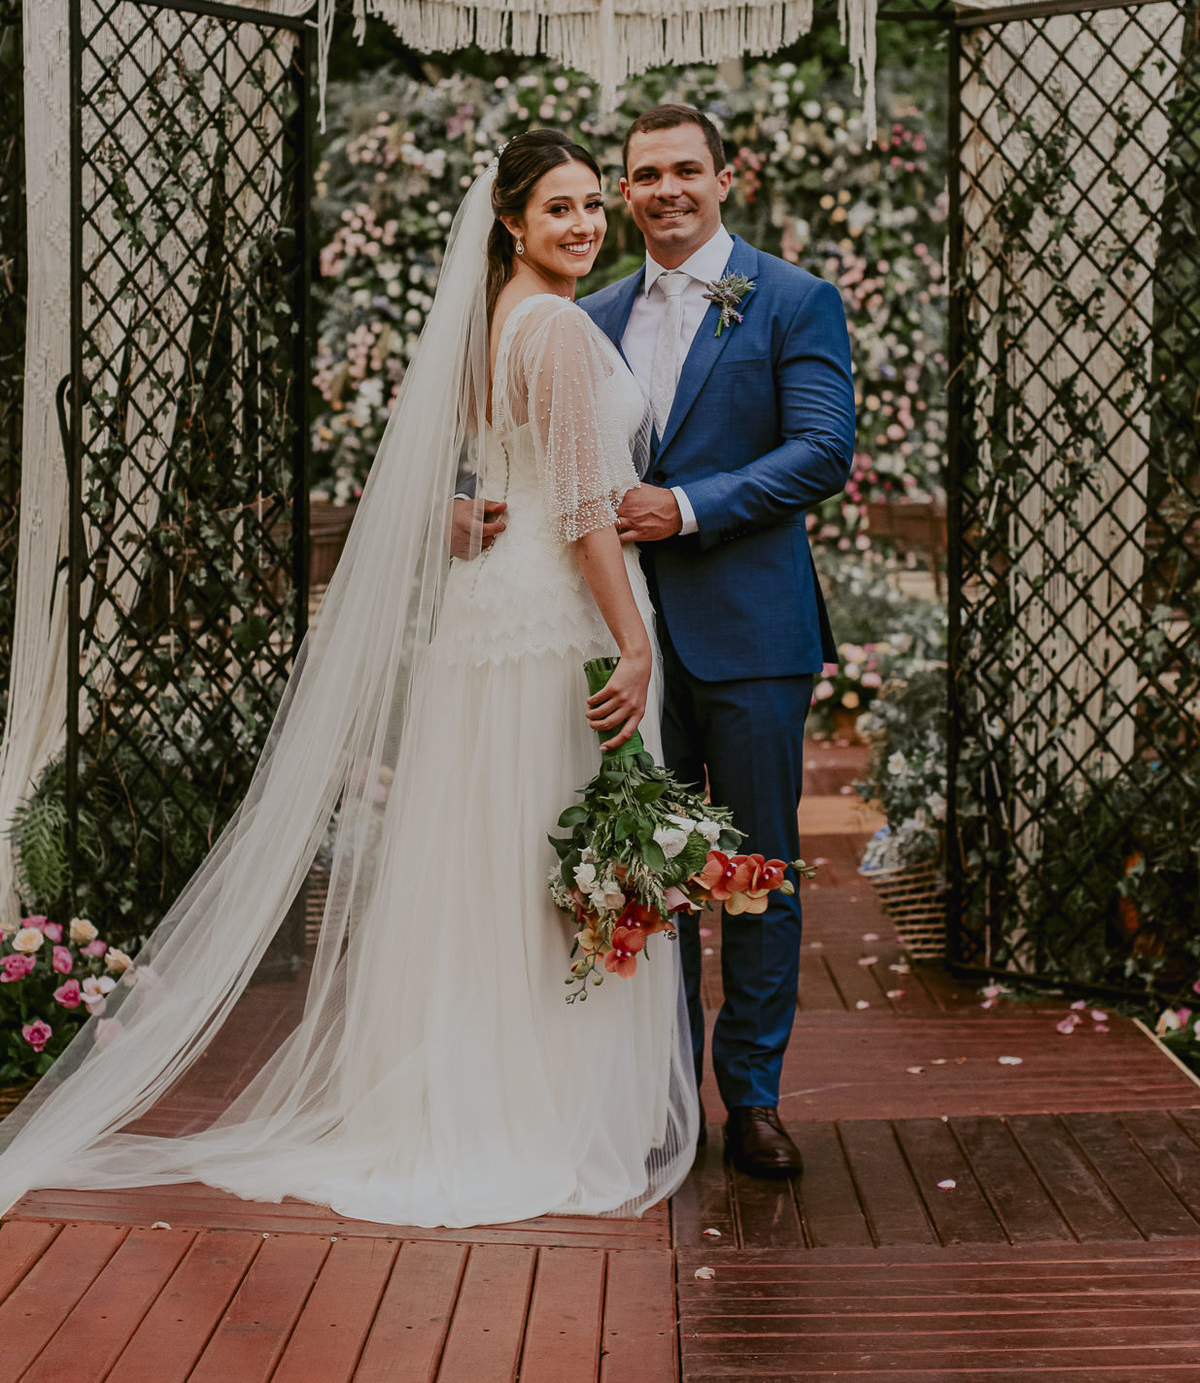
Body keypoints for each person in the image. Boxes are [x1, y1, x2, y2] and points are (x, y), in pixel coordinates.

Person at [0, 130, 698, 1228]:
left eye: (587, 207)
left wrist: (464, 521)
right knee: (546, 869)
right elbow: (578, 507)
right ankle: (542, 1112)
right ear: (511, 220)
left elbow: (464, 480)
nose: (581, 225)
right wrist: (636, 640)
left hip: (483, 622)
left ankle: (463, 1096)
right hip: (554, 625)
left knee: (491, 861)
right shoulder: (557, 324)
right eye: (557, 209)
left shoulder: (484, 322)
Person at [583, 104, 854, 1179]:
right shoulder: (592, 314)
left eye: (684, 169)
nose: (667, 190)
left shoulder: (792, 299)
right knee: (644, 877)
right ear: (624, 193)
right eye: (645, 175)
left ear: (724, 176)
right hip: (627, 644)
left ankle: (752, 1102)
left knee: (755, 876)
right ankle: (662, 1101)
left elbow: (823, 450)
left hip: (751, 636)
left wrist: (685, 508)